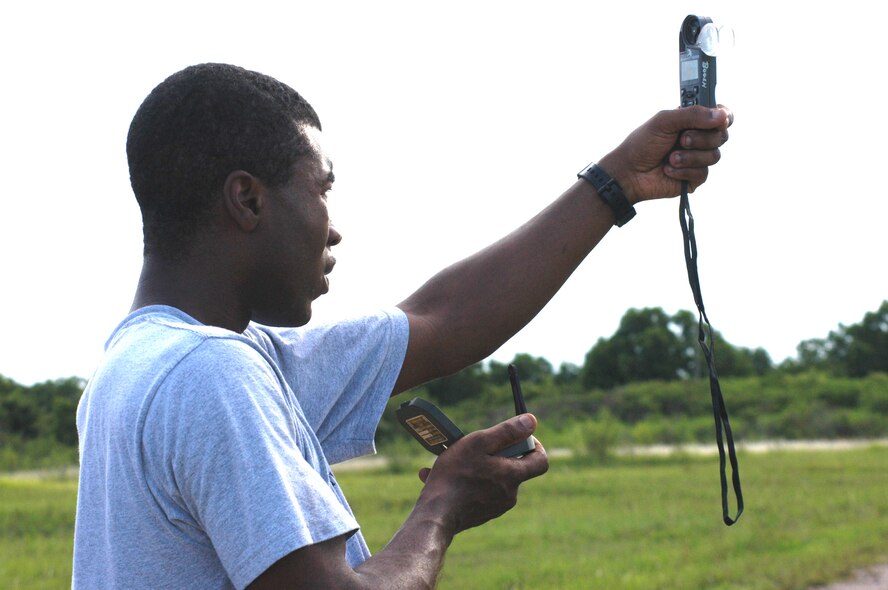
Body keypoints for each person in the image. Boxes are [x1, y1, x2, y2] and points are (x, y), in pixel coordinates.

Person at [72, 62, 732, 589]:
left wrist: (619, 179)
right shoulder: (213, 374)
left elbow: (442, 320)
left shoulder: (139, 368)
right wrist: (443, 507)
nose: (333, 226)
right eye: (321, 188)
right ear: (247, 199)